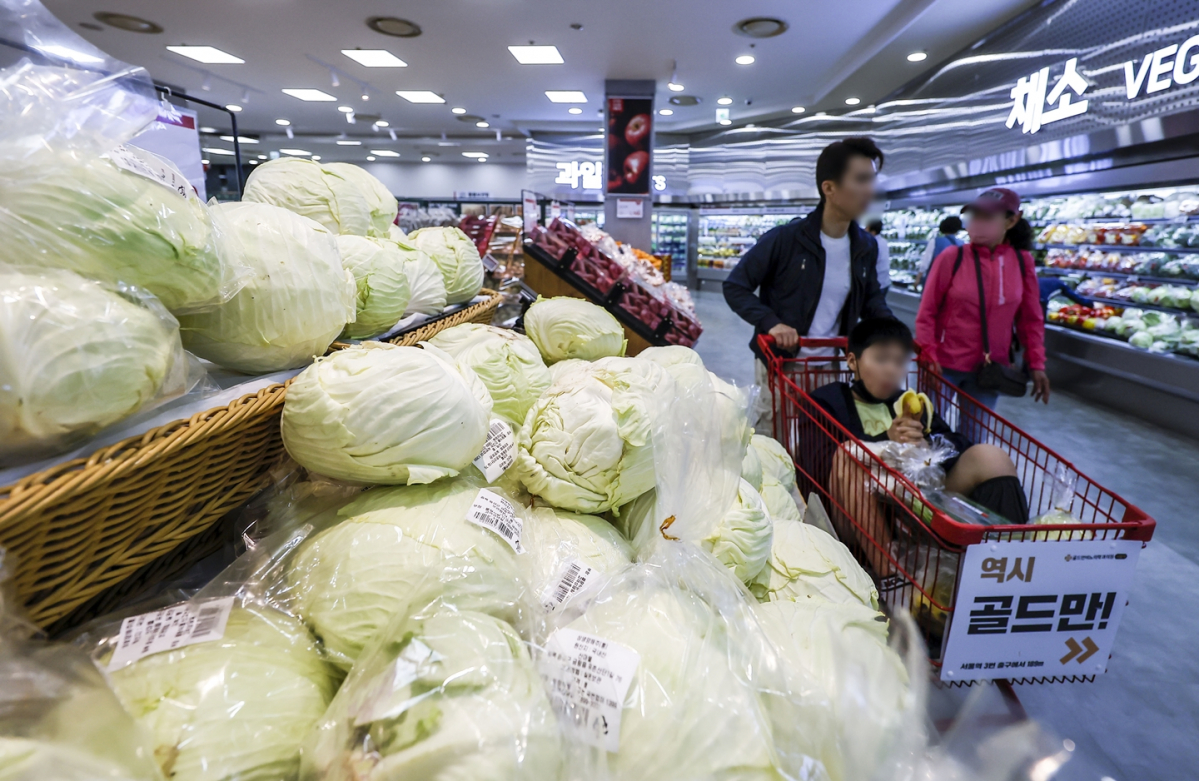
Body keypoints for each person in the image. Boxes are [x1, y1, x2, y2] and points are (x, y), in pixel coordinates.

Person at [811, 318, 1029, 574]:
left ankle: (1012, 564)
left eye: (899, 362)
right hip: (858, 512)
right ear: (852, 362)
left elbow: (956, 442)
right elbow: (817, 464)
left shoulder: (911, 404)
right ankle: (891, 575)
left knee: (991, 456)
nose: (892, 370)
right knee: (848, 453)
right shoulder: (826, 401)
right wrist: (886, 440)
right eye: (881, 360)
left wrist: (927, 444)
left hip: (917, 506)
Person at [723, 137, 893, 431]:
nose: (870, 190)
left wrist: (894, 333)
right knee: (772, 439)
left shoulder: (865, 246)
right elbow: (735, 286)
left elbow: (872, 300)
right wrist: (771, 322)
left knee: (819, 439)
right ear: (829, 188)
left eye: (872, 180)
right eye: (861, 179)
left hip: (829, 365)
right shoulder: (786, 239)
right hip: (781, 363)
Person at [915, 188, 1049, 418]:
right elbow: (927, 313)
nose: (978, 222)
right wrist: (928, 354)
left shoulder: (1021, 261)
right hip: (944, 365)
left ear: (1011, 220)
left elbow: (1030, 319)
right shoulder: (952, 257)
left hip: (990, 370)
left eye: (987, 217)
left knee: (975, 441)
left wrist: (1036, 363)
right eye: (975, 216)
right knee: (927, 432)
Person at [915, 216, 964, 284]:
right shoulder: (962, 244)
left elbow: (925, 262)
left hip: (936, 280)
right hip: (955, 281)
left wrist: (918, 278)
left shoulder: (935, 242)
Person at [866, 219, 891, 294]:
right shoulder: (883, 241)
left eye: (866, 228)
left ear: (873, 232)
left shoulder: (872, 243)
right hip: (885, 282)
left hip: (877, 283)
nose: (864, 230)